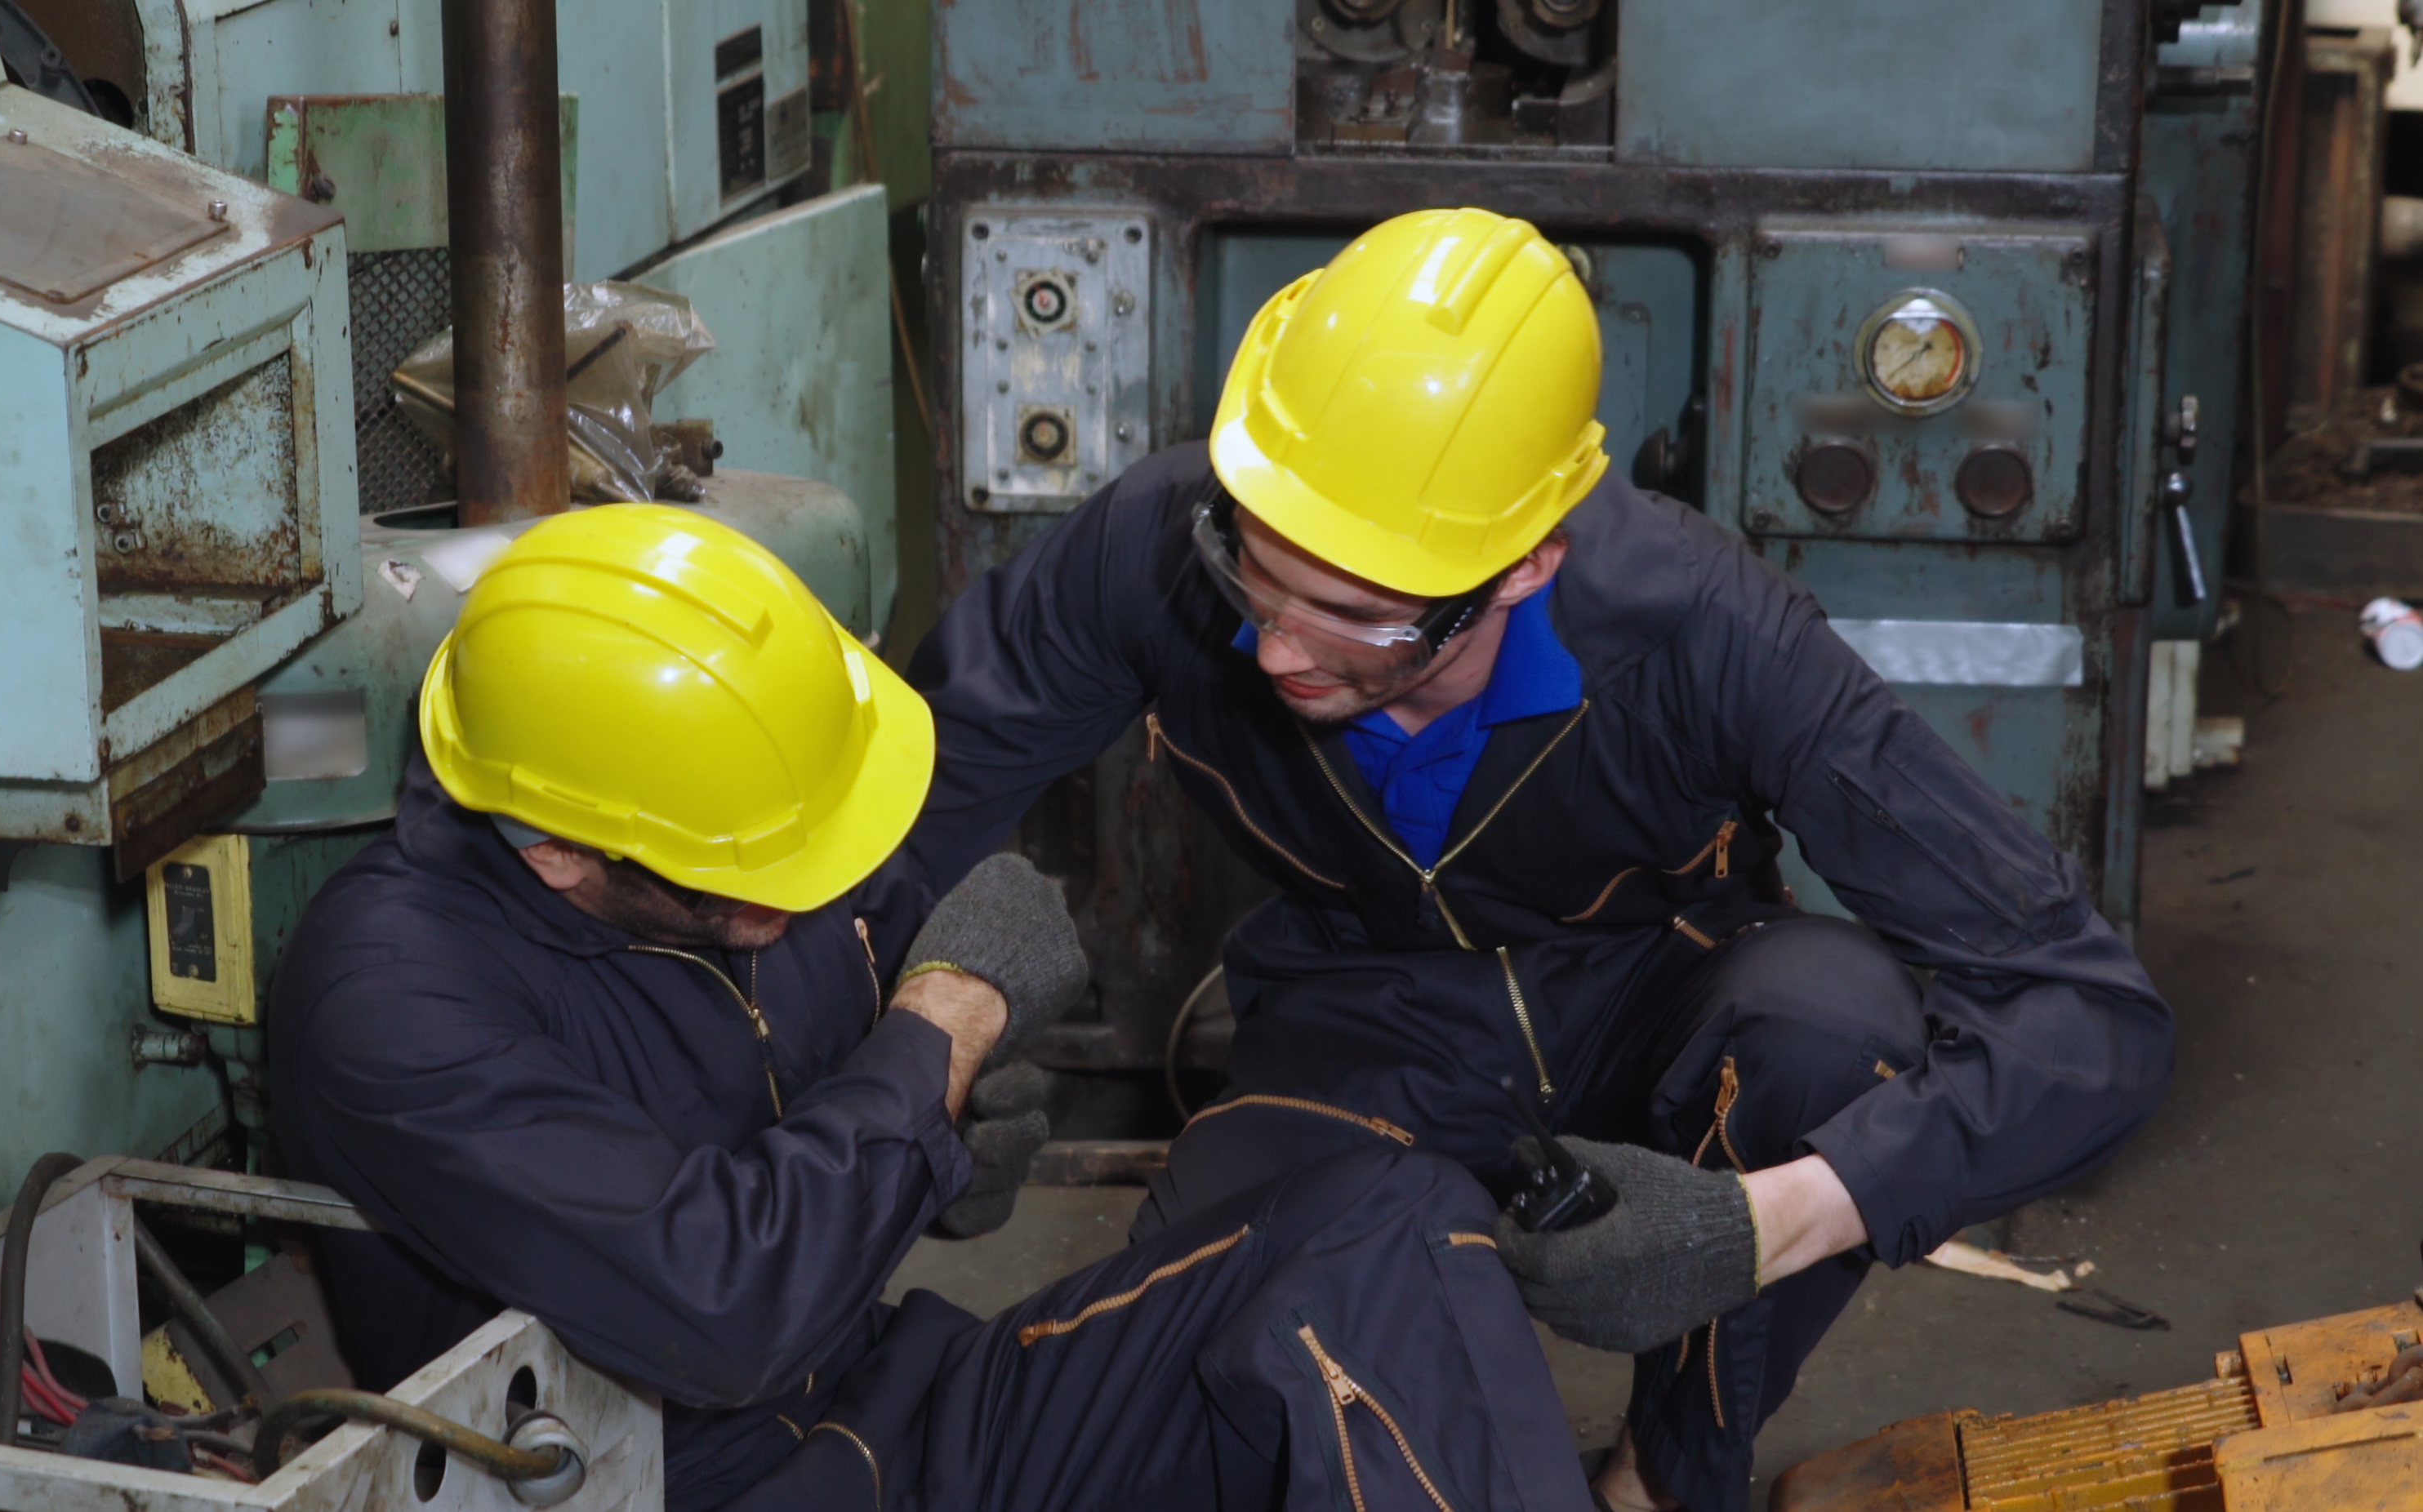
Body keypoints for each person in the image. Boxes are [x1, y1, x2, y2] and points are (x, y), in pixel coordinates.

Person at [903, 207, 2176, 1512]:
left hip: (1657, 990)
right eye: (1257, 576)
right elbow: (897, 811)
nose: (1277, 652)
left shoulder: (1713, 635)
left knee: (1826, 1035)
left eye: (1357, 616)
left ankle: (1660, 1479)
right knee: (1205, 1378)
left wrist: (1766, 1224)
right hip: (1359, 1014)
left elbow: (2091, 1018)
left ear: (1525, 565)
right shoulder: (1152, 550)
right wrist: (910, 1065)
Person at [269, 505, 1594, 1512]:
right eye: (745, 883)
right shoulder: (390, 998)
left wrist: (946, 1133)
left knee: (1390, 1220)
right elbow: (724, 1312)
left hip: (894, 1406)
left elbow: (867, 1022)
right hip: (690, 1482)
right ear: (558, 847)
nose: (787, 908)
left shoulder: (705, 858)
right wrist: (940, 1033)